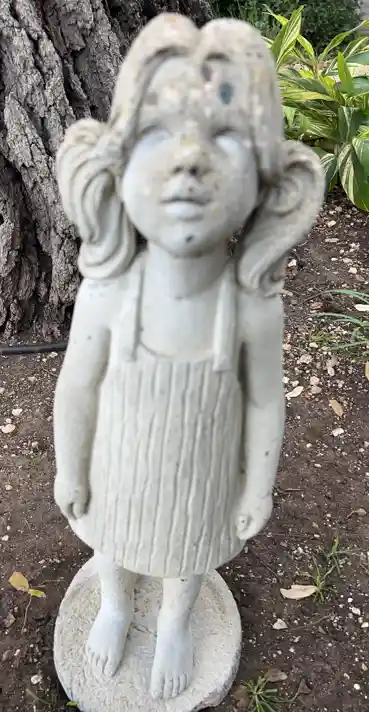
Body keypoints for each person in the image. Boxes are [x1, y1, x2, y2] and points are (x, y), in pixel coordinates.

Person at [54, 13, 324, 700]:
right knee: (112, 540)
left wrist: (256, 487)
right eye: (156, 132)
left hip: (203, 476)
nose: (188, 159)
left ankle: (175, 620)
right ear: (116, 165)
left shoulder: (251, 308)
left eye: (225, 135)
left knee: (189, 551)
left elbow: (263, 400)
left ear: (267, 179)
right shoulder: (109, 294)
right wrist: (71, 467)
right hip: (119, 467)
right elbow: (78, 387)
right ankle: (116, 605)